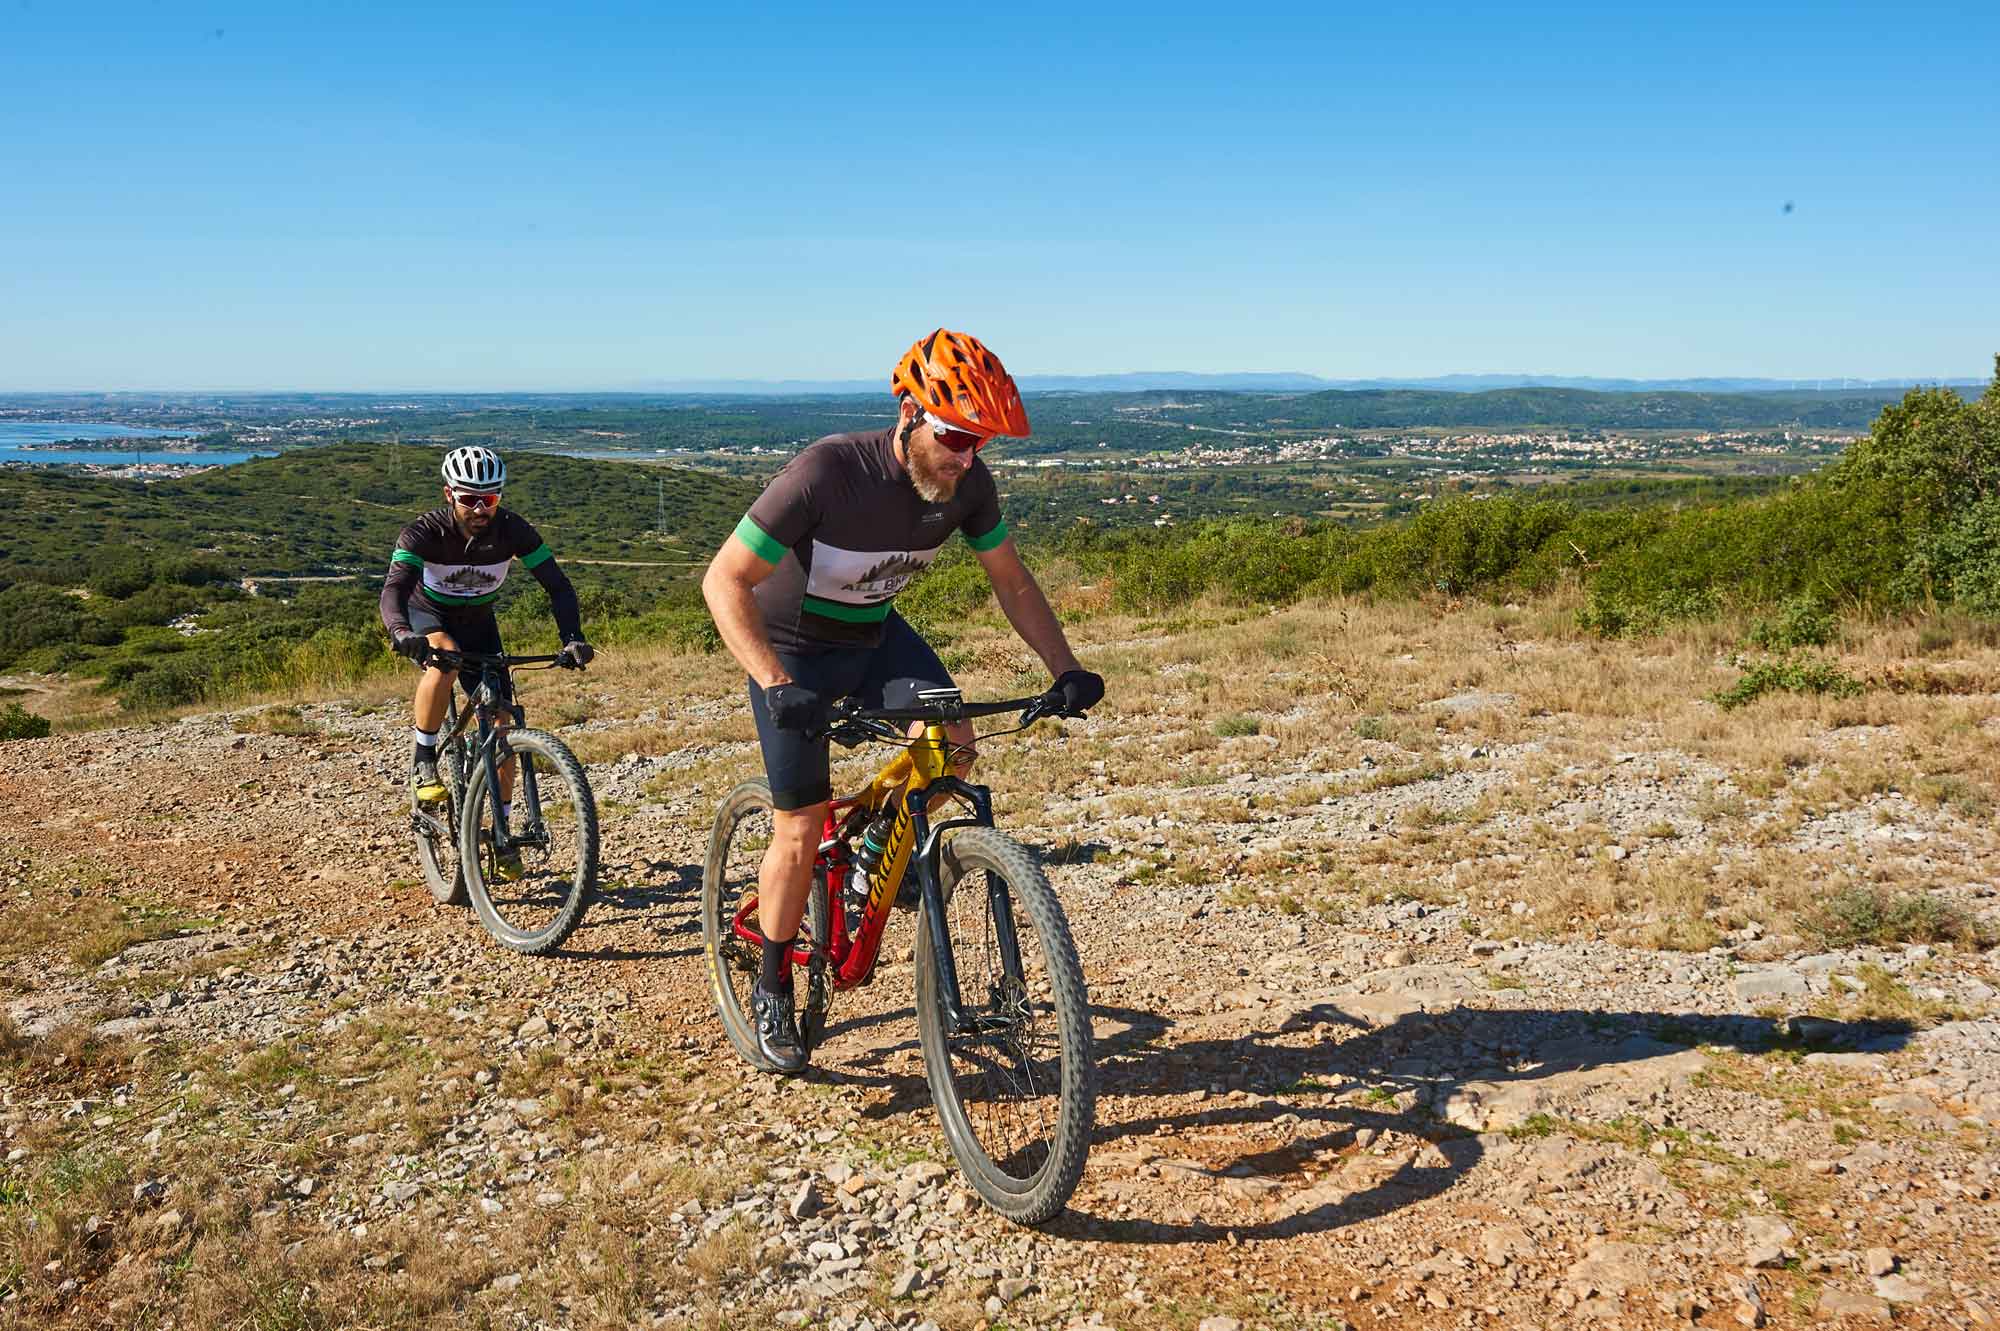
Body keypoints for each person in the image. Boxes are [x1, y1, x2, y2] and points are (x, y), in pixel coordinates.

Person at [701, 329, 1104, 1071]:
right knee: (799, 827)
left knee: (953, 741)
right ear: (911, 412)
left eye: (980, 443)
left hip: (874, 636)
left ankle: (869, 871)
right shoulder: (827, 473)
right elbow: (723, 582)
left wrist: (1066, 667)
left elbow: (1011, 581)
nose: (967, 457)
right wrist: (777, 684)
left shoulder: (967, 486)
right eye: (954, 437)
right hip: (791, 653)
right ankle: (772, 985)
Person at [379, 445, 594, 876]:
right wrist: (402, 633)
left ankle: (503, 829)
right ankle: (424, 758)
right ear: (448, 495)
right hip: (430, 616)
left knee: (502, 725)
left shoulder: (514, 531)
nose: (480, 509)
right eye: (469, 499)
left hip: (480, 620)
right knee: (448, 658)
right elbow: (394, 589)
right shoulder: (422, 533)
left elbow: (557, 586)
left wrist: (572, 639)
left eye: (490, 499)